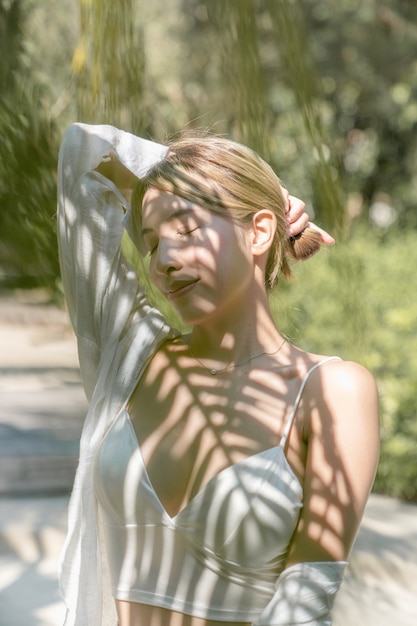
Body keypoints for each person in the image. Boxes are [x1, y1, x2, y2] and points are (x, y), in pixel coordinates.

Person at [57, 122, 379, 626]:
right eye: (149, 243)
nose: (163, 260)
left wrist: (248, 186)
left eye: (186, 229)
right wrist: (197, 172)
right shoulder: (129, 351)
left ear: (260, 230)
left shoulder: (332, 390)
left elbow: (305, 602)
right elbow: (83, 157)